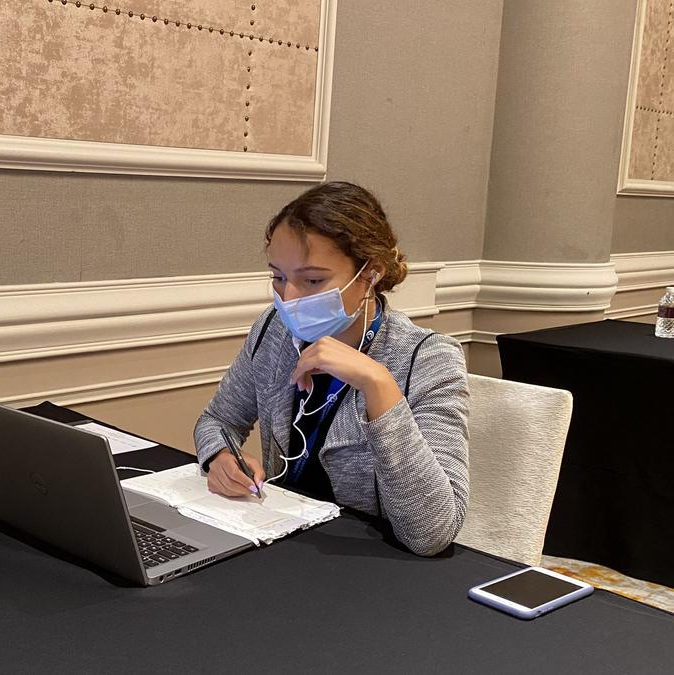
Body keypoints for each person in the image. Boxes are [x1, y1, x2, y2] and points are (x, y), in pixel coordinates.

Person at [194, 181, 469, 556]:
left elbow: (432, 533)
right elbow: (218, 420)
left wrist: (378, 384)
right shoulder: (274, 332)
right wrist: (220, 457)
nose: (288, 297)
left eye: (312, 280)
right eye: (278, 277)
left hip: (368, 562)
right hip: (279, 541)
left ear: (371, 273)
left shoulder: (427, 358)